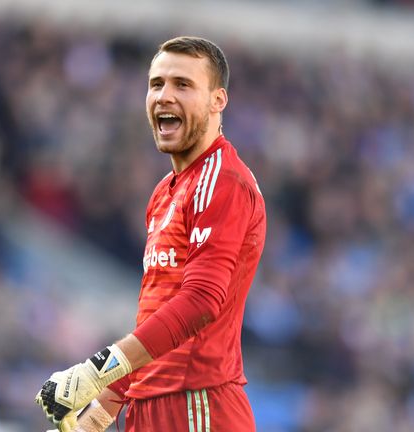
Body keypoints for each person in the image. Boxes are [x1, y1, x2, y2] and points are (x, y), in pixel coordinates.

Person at [35, 36, 266, 432]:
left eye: (183, 84)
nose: (164, 96)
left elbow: (201, 301)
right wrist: (104, 408)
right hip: (151, 406)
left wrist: (96, 370)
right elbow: (158, 315)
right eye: (156, 84)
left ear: (218, 101)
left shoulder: (223, 181)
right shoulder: (165, 191)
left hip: (197, 404)